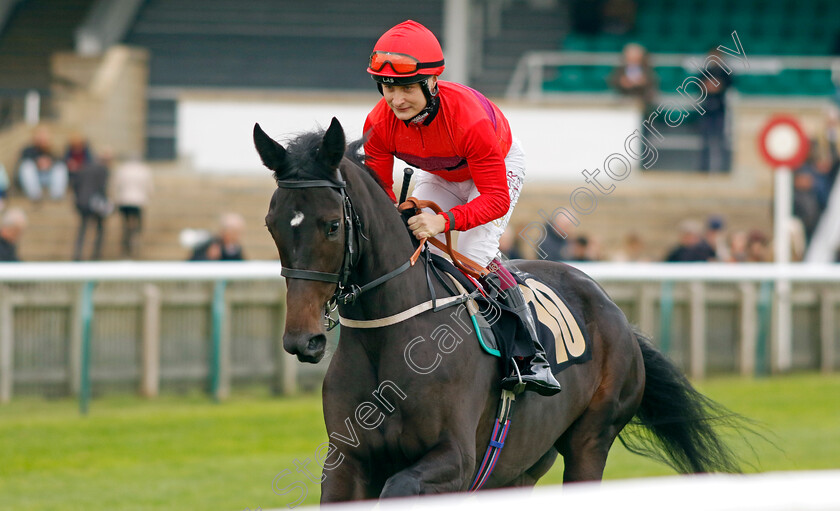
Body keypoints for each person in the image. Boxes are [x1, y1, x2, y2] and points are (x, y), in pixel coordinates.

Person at [362, 20, 560, 396]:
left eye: (406, 88)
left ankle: (529, 354)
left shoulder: (469, 119)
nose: (396, 99)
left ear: (431, 83)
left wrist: (443, 221)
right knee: (415, 248)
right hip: (440, 171)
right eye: (388, 87)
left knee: (468, 255)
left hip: (493, 172)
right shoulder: (378, 122)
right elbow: (379, 192)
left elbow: (495, 200)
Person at [72, 149, 112, 261]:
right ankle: (96, 254)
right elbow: (102, 188)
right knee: (99, 229)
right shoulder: (103, 170)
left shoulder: (84, 168)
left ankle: (78, 254)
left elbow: (76, 185)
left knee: (83, 229)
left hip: (82, 202)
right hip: (95, 203)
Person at [697, 47, 732, 173]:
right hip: (706, 110)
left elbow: (725, 86)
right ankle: (703, 168)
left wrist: (714, 86)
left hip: (720, 110)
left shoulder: (725, 73)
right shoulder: (705, 72)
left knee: (720, 140)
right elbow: (701, 87)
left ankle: (722, 169)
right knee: (705, 141)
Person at [112, 155, 153, 258]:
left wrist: (116, 198)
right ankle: (135, 242)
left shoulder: (122, 169)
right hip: (139, 201)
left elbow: (116, 185)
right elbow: (149, 187)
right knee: (137, 225)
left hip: (124, 200)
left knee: (125, 225)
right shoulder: (144, 170)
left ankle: (126, 247)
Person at [17, 125, 69, 201]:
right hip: (35, 177)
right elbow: (23, 160)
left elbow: (60, 160)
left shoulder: (53, 150)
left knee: (60, 167)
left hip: (49, 177)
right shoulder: (28, 150)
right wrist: (37, 162)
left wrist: (50, 163)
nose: (42, 138)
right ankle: (35, 195)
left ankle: (56, 195)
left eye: (44, 136)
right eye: (40, 136)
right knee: (27, 166)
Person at [609, 43, 658, 109]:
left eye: (635, 54)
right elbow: (613, 81)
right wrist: (621, 82)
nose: (633, 57)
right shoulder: (620, 69)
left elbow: (653, 82)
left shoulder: (647, 69)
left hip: (642, 101)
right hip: (623, 100)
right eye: (630, 54)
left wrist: (642, 82)